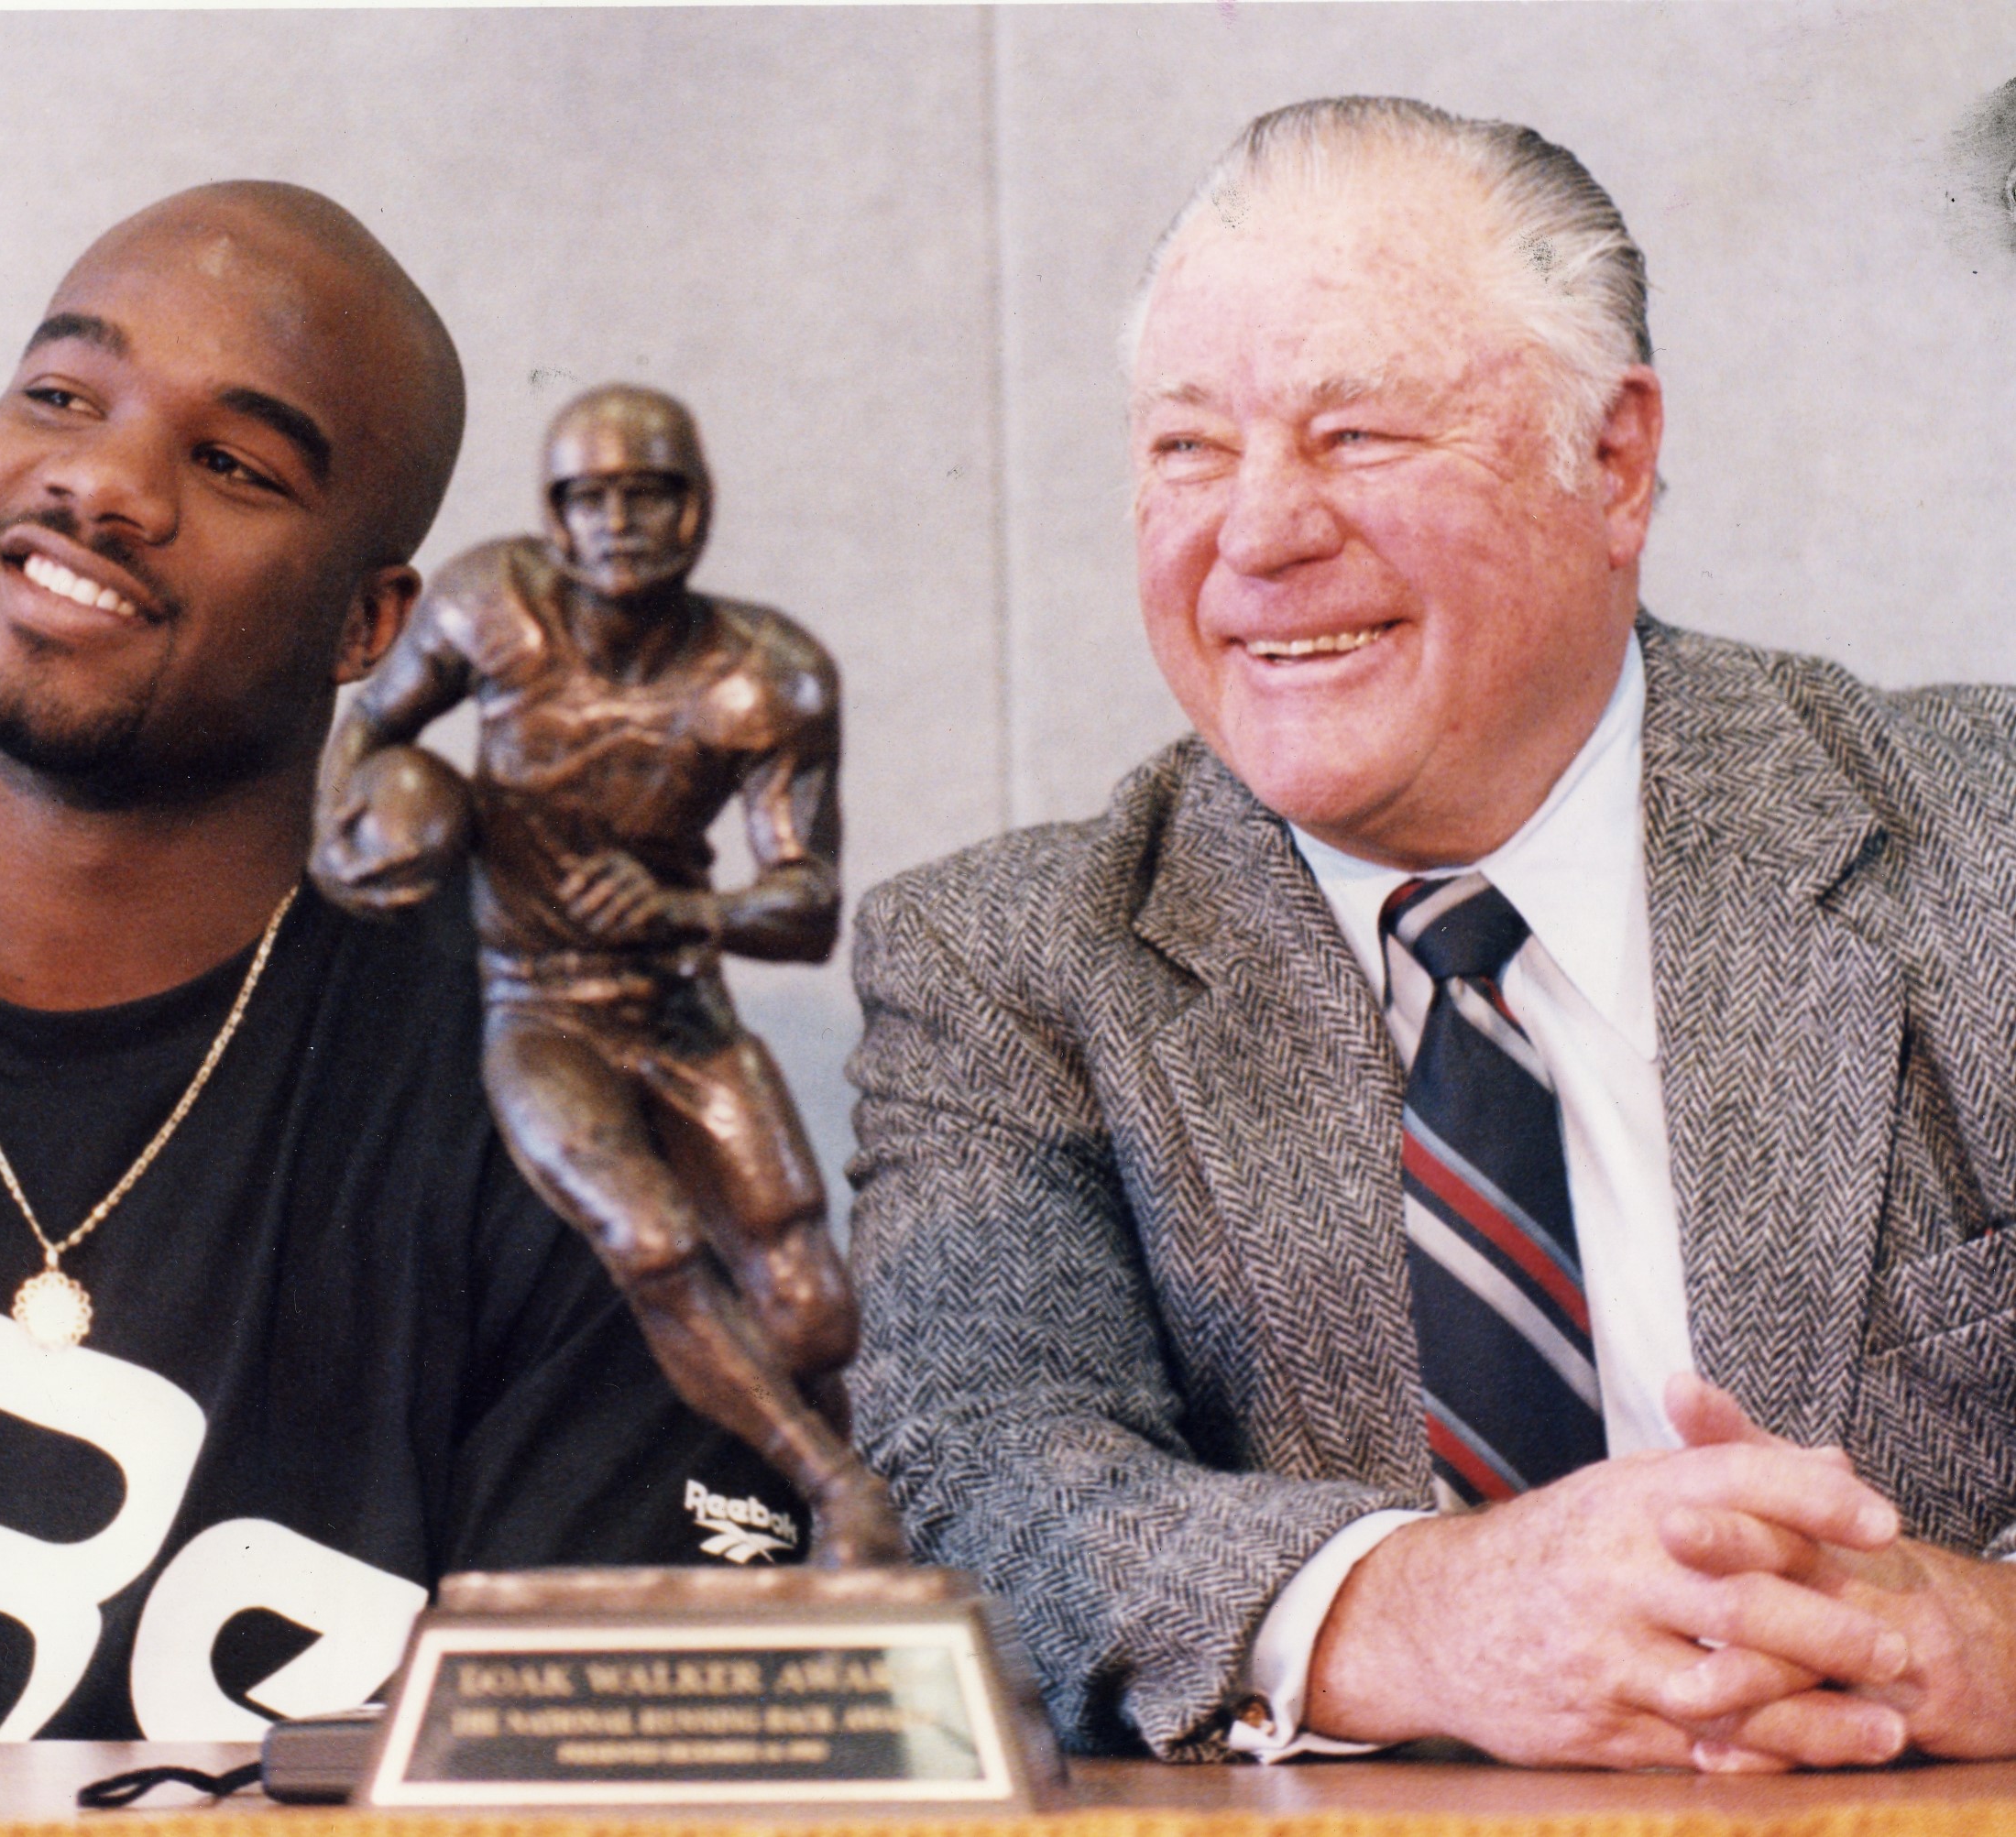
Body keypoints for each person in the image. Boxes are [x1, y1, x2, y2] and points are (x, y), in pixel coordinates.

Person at [0, 184, 805, 1745]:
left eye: (232, 462)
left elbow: (613, 1779)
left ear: (370, 621)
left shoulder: (570, 1105)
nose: (100, 478)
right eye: (57, 393)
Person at [847, 97, 2016, 1774]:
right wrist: (1418, 1613)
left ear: (1609, 459)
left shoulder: (1979, 843)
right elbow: (975, 1472)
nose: (1255, 534)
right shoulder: (1010, 963)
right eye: (1187, 447)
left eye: (1356, 437)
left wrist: (1978, 1632)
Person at [314, 385, 902, 1568]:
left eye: (649, 493)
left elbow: (805, 903)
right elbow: (369, 731)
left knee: (808, 1306)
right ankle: (837, 1486)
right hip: (537, 1005)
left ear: (698, 509)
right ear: (552, 513)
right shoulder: (490, 605)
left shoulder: (764, 674)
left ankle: (831, 1545)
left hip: (678, 1001)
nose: (619, 521)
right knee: (646, 1235)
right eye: (591, 496)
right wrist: (356, 832)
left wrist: (691, 905)